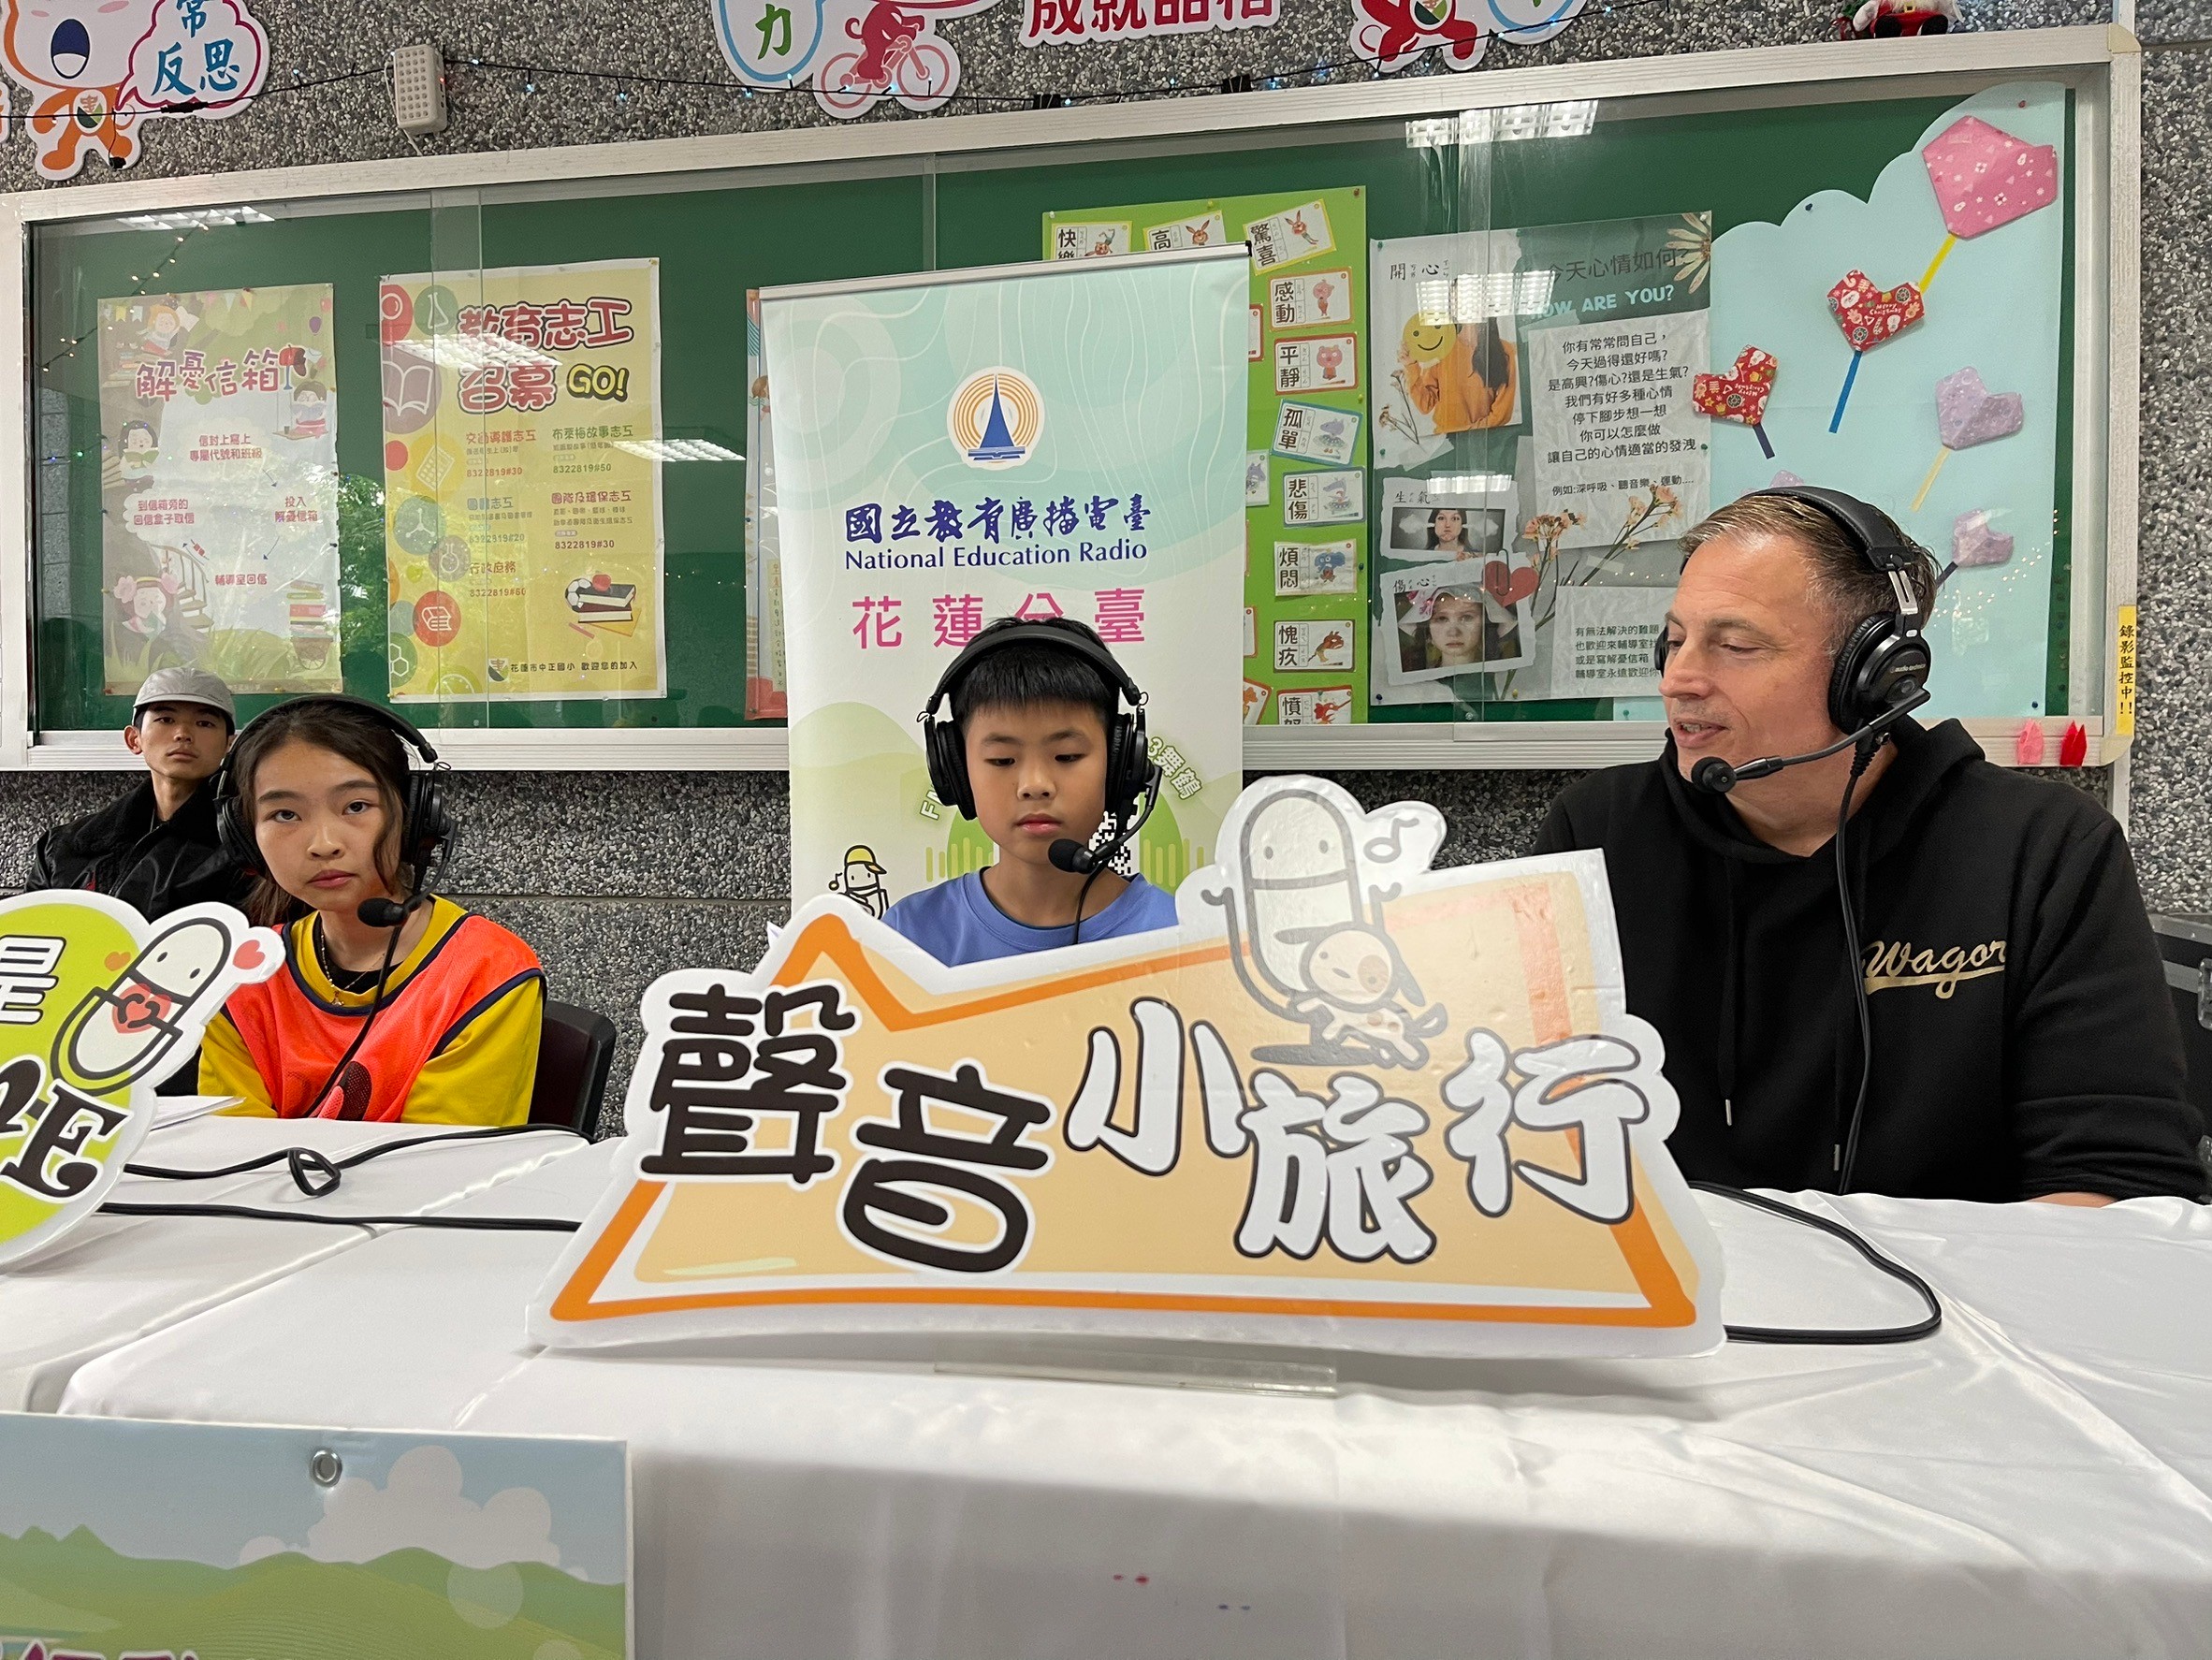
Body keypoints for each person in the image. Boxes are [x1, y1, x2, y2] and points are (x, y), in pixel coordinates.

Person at [1535, 487, 2207, 1203]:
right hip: (1666, 1273)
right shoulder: (1595, 832)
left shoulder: (2044, 849)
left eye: (1736, 646)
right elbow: (1531, 1126)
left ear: (1875, 675)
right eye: (1674, 642)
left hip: (1950, 1278)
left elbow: (2117, 1179)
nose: (1679, 681)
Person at [198, 695, 544, 1126]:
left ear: (413, 818)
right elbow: (230, 1144)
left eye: (356, 806)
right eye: (285, 814)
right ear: (245, 838)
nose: (323, 843)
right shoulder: (246, 974)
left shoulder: (486, 970)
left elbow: (442, 1156)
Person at [883, 616, 1178, 966]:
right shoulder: (907, 939)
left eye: (1067, 756)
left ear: (1120, 765)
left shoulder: (1181, 938)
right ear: (957, 770)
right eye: (1003, 760)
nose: (1035, 785)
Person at [32, 665, 246, 921]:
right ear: (134, 739)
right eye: (166, 720)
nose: (183, 734)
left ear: (229, 744)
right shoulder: (62, 848)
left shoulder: (246, 848)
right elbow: (29, 934)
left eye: (204, 723)